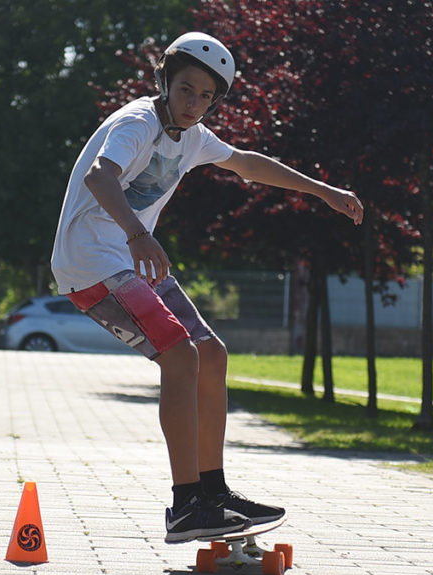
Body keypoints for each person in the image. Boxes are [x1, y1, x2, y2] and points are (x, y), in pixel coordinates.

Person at [51, 32, 364, 543]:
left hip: (132, 259)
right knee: (179, 356)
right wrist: (136, 233)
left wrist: (321, 189)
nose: (193, 104)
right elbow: (100, 177)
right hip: (92, 263)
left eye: (205, 97)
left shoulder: (193, 138)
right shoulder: (138, 123)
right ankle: (186, 505)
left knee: (210, 354)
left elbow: (246, 162)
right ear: (164, 81)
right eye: (185, 90)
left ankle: (212, 491)